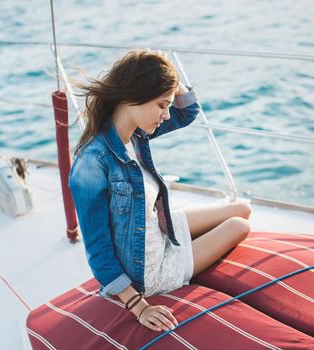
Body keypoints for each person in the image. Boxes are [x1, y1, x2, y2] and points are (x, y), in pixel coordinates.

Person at [69, 49, 252, 333]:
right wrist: (139, 306)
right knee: (238, 226)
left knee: (242, 208)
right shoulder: (91, 164)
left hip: (156, 230)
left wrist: (166, 71)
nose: (166, 116)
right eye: (161, 105)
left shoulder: (135, 133)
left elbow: (188, 110)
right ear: (132, 98)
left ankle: (186, 240)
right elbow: (98, 251)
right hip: (149, 270)